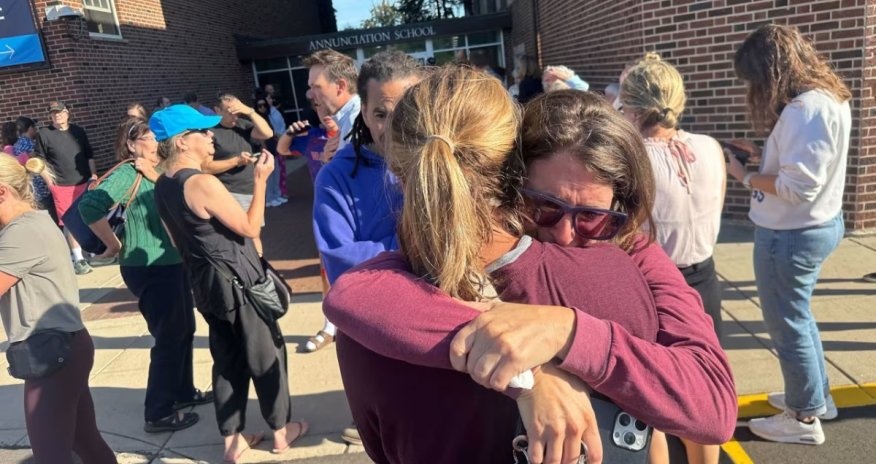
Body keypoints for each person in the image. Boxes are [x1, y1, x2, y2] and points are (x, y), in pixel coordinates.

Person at [323, 68, 736, 463]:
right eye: (544, 207)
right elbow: (351, 295)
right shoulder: (617, 281)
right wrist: (527, 372)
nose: (567, 235)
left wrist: (567, 330)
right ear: (510, 176)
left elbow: (712, 405)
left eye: (594, 218)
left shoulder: (631, 257)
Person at [151, 104, 307, 463]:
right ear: (180, 142)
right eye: (202, 131)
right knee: (266, 352)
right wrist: (261, 180)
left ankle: (232, 440)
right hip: (238, 281)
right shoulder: (202, 183)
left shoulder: (162, 185)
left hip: (204, 283)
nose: (210, 135)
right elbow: (251, 228)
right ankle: (281, 432)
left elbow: (177, 242)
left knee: (227, 360)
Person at [729, 24, 850, 446]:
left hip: (791, 235)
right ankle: (814, 399)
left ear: (770, 71)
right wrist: (763, 155)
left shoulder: (804, 109)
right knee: (800, 319)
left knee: (788, 326)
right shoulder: (829, 100)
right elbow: (804, 168)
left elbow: (797, 188)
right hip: (813, 227)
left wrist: (744, 176)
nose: (754, 89)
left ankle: (802, 420)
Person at [309, 50, 424, 446]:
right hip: (377, 340)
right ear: (364, 112)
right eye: (381, 114)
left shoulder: (445, 165)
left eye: (408, 110)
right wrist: (419, 242)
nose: (394, 127)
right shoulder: (337, 177)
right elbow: (343, 264)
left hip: (446, 338)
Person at [619, 53, 727, 464]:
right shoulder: (710, 147)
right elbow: (713, 208)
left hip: (654, 285)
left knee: (655, 400)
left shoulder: (634, 158)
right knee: (700, 396)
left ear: (630, 107)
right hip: (705, 278)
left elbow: (625, 229)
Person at [78, 117, 211, 433]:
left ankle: (182, 391)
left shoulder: (159, 170)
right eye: (150, 138)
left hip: (171, 262)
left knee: (184, 328)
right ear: (132, 144)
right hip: (148, 266)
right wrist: (112, 243)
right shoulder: (126, 173)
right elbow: (89, 207)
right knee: (168, 335)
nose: (156, 142)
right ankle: (158, 412)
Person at [0, 155, 117, 464]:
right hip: (64, 347)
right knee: (87, 444)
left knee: (52, 456)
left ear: (1, 192)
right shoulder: (32, 221)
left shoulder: (20, 233)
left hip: (52, 355)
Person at [202, 93, 273, 255]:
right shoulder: (210, 133)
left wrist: (250, 111)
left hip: (250, 190)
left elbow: (267, 133)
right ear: (217, 110)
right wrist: (236, 161)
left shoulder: (243, 125)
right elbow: (205, 167)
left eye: (237, 111)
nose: (234, 115)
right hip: (227, 192)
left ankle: (259, 269)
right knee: (236, 238)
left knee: (254, 235)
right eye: (229, 111)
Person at [33, 100, 97, 275]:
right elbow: (40, 161)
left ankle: (93, 250)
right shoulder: (44, 134)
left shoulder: (78, 131)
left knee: (88, 216)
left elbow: (89, 154)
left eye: (60, 112)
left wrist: (93, 175)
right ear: (50, 116)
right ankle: (79, 259)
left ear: (67, 113)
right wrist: (49, 182)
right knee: (69, 221)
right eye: (53, 113)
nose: (57, 116)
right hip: (61, 184)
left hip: (84, 181)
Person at [303, 48, 360, 160]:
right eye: (311, 87)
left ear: (340, 86)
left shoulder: (354, 122)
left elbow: (354, 175)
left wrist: (329, 164)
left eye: (317, 87)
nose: (311, 94)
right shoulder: (349, 118)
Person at [13, 117, 53, 214]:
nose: (36, 131)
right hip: (40, 186)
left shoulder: (17, 144)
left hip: (30, 188)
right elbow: (39, 161)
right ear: (30, 128)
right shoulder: (29, 144)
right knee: (50, 214)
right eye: (35, 128)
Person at [253, 92, 284, 208]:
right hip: (265, 149)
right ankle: (270, 198)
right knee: (269, 175)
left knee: (276, 171)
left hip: (273, 147)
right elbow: (259, 135)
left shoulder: (268, 117)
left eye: (264, 105)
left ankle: (276, 195)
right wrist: (264, 149)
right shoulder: (257, 119)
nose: (262, 108)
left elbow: (271, 132)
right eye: (259, 106)